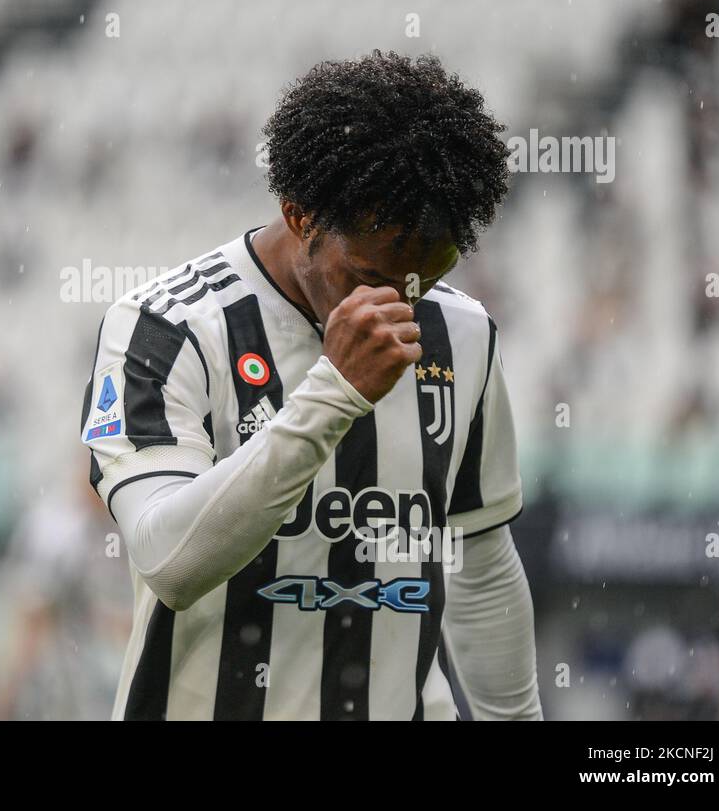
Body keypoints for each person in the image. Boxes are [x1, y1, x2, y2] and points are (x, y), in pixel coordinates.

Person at [80, 51, 541, 720]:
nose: (396, 306)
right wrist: (336, 393)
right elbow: (169, 559)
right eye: (366, 276)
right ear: (299, 216)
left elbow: (479, 558)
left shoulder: (463, 335)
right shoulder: (164, 327)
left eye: (424, 280)